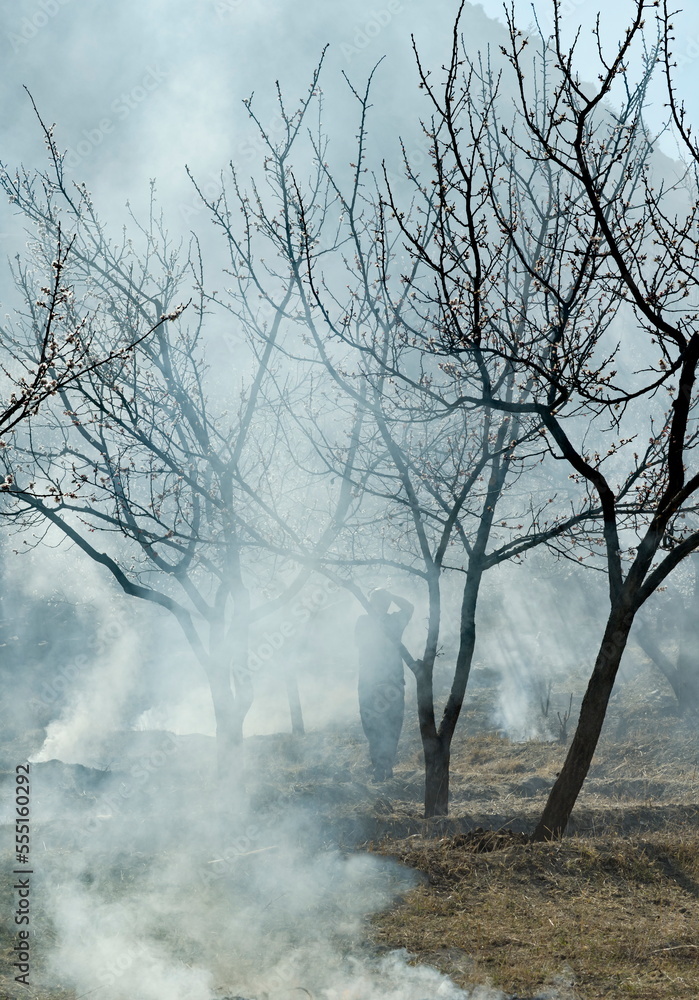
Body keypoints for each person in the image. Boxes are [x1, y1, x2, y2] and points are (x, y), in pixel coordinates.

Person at [355, 588, 414, 782]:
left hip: (390, 683)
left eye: (384, 601)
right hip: (371, 682)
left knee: (391, 725)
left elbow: (409, 607)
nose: (382, 604)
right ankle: (380, 767)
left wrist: (391, 595)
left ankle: (384, 767)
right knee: (372, 725)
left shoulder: (393, 621)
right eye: (378, 601)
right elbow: (362, 644)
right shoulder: (364, 621)